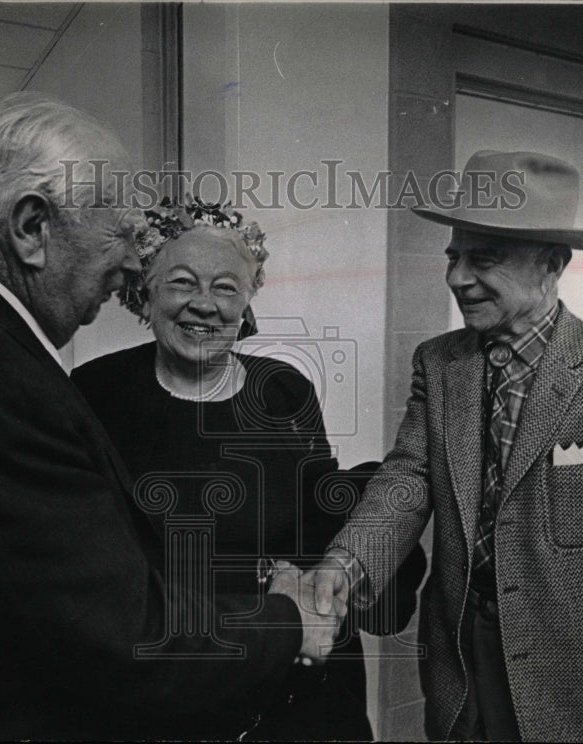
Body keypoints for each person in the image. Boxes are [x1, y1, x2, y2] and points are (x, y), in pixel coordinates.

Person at [0, 93, 340, 741]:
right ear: (31, 228)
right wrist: (292, 622)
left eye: (226, 288)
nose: (133, 263)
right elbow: (126, 639)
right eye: (120, 235)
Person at [309, 151, 583, 743]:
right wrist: (347, 563)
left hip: (578, 675)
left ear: (552, 264)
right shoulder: (439, 363)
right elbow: (408, 478)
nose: (457, 277)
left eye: (483, 258)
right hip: (461, 658)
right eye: (454, 256)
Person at [71, 197, 427, 740]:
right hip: (166, 674)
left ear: (249, 299)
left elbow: (317, 513)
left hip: (281, 674)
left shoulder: (284, 388)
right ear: (145, 291)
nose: (204, 305)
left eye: (225, 288)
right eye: (182, 283)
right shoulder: (96, 392)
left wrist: (322, 578)